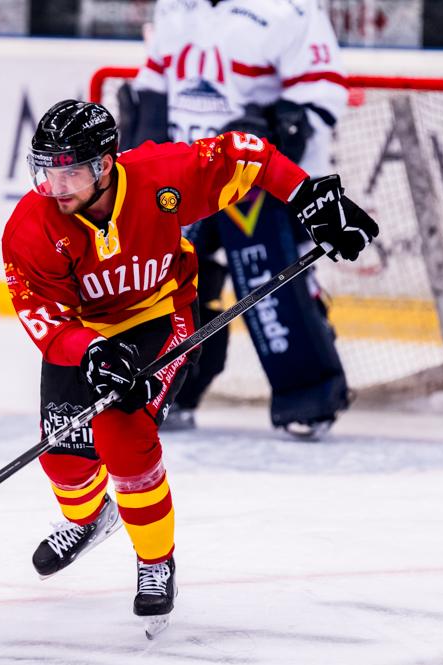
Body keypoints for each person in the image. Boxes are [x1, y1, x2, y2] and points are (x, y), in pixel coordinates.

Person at [1, 99, 377, 636]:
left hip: (159, 317)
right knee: (64, 460)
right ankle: (89, 520)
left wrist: (305, 192)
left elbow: (247, 153)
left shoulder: (162, 176)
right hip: (84, 336)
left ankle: (155, 560)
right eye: (47, 171)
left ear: (106, 164)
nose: (56, 187)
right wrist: (91, 352)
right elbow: (43, 318)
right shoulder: (29, 229)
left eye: (71, 171)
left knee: (123, 436)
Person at [121, 0, 351, 438]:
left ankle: (310, 397)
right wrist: (140, 155)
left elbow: (322, 93)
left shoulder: (290, 9)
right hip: (183, 175)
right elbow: (152, 92)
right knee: (168, 285)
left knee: (274, 287)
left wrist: (271, 126)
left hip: (258, 179)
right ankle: (170, 392)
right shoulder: (174, 7)